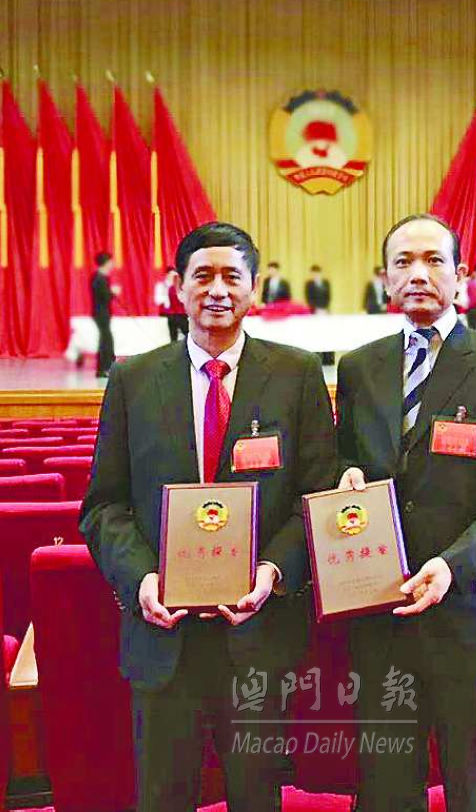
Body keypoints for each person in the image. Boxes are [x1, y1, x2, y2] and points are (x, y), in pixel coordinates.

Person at [80, 222, 336, 812]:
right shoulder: (133, 379)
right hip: (162, 635)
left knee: (257, 795)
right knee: (163, 795)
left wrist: (272, 572)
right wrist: (141, 579)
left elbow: (316, 495)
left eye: (231, 276)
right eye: (203, 276)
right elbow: (104, 505)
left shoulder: (297, 375)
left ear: (255, 288)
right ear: (178, 286)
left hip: (258, 632)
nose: (217, 289)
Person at [336, 213, 476, 812]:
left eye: (433, 261)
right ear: (385, 279)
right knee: (386, 785)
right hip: (379, 612)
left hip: (468, 613)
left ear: (460, 275)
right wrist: (342, 478)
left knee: (471, 784)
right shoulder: (358, 367)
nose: (418, 274)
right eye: (403, 263)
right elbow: (346, 460)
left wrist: (453, 565)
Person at [90, 251, 119, 378]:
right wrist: (113, 292)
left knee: (106, 339)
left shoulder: (101, 277)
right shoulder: (99, 278)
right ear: (106, 263)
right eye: (111, 262)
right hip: (100, 313)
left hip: (103, 313)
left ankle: (107, 366)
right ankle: (103, 368)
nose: (112, 264)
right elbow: (104, 297)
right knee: (105, 340)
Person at [305, 264, 334, 365]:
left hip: (324, 311)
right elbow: (308, 298)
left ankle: (328, 359)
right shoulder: (309, 284)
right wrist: (315, 309)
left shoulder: (326, 283)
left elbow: (328, 297)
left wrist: (325, 309)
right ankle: (317, 358)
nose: (315, 275)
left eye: (316, 273)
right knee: (315, 335)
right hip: (314, 312)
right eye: (313, 273)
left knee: (327, 334)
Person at [154, 266, 189, 342]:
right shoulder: (162, 286)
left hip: (180, 313)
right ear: (167, 275)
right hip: (168, 313)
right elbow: (158, 300)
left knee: (186, 331)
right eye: (171, 275)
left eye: (175, 275)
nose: (173, 277)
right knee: (172, 334)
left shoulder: (178, 286)